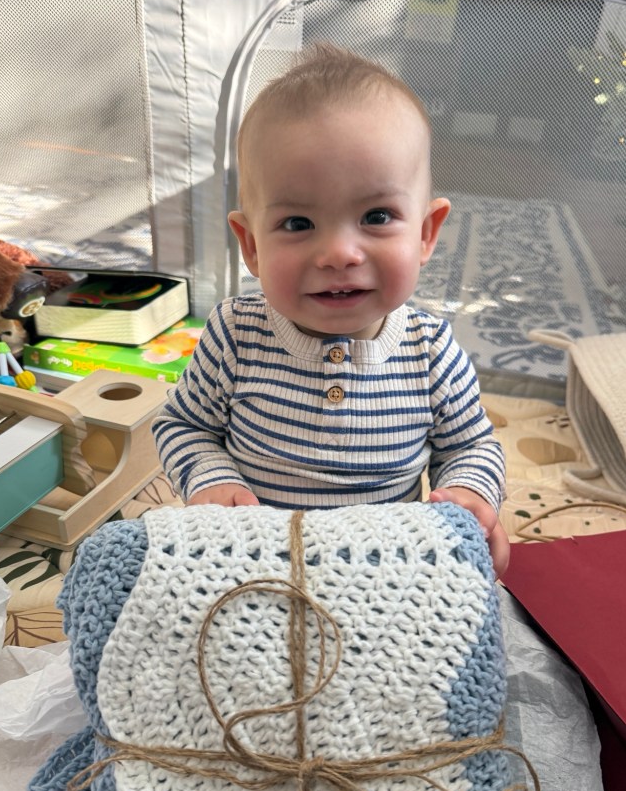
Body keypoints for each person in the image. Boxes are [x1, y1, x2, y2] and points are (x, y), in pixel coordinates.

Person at [152, 43, 510, 576]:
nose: (340, 254)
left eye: (377, 216)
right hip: (256, 562)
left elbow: (470, 445)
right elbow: (183, 425)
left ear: (425, 233)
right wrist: (212, 480)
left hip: (386, 569)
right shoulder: (234, 335)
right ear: (251, 245)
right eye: (298, 224)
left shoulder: (431, 351)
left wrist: (468, 493)